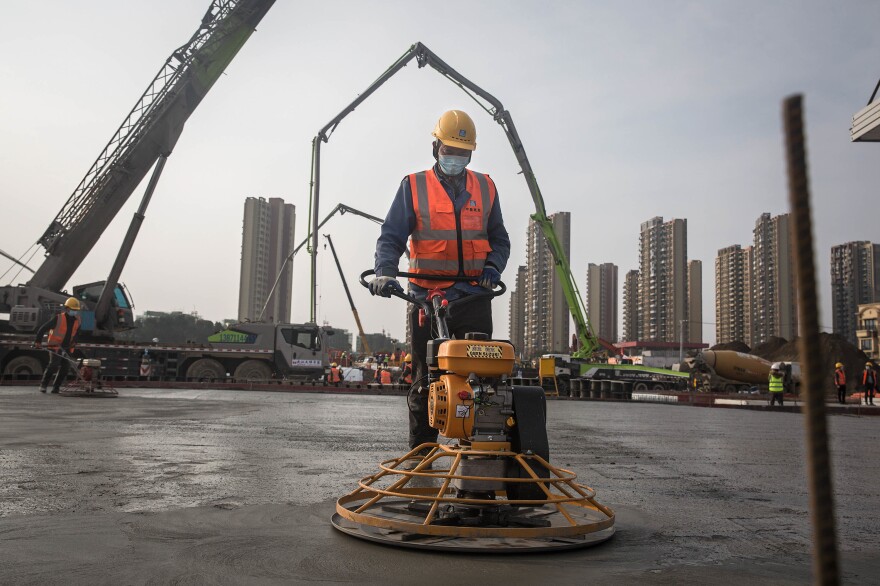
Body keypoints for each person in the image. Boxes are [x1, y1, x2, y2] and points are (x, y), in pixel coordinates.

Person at [370, 109, 511, 451]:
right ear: (436, 148)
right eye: (449, 151)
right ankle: (422, 454)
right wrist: (386, 272)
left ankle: (479, 451)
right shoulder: (414, 186)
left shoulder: (486, 187)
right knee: (425, 381)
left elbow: (500, 239)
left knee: (484, 379)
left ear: (471, 154)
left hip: (474, 296)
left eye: (462, 153)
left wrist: (494, 266)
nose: (455, 158)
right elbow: (391, 237)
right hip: (427, 300)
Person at [33, 297, 82, 394]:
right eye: (73, 310)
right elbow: (43, 328)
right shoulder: (58, 318)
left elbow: (77, 333)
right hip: (55, 346)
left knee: (65, 368)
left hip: (67, 347)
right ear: (67, 308)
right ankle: (43, 385)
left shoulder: (77, 320)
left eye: (76, 310)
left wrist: (75, 341)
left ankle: (56, 387)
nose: (74, 312)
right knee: (53, 365)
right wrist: (38, 341)